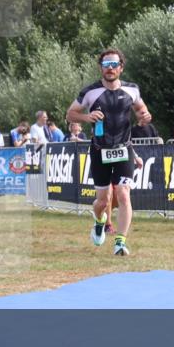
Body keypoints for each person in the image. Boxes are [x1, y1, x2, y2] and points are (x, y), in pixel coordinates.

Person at [66, 47, 152, 256]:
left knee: (123, 194)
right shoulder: (90, 92)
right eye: (106, 65)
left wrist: (144, 117)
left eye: (114, 64)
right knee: (102, 202)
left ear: (121, 68)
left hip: (124, 150)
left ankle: (120, 242)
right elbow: (70, 114)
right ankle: (99, 220)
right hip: (99, 151)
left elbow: (141, 110)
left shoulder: (132, 89)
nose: (110, 68)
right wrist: (87, 117)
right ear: (101, 68)